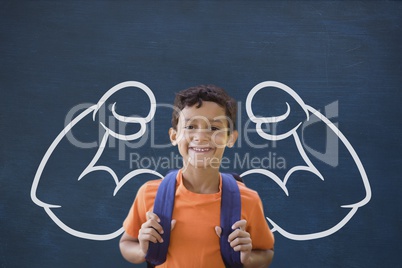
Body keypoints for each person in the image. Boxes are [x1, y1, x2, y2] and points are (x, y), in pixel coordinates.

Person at [119, 85, 275, 267]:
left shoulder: (248, 199)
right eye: (191, 126)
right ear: (174, 136)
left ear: (230, 138)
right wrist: (141, 251)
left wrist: (248, 259)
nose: (201, 136)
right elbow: (126, 243)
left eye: (214, 128)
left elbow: (265, 252)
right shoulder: (149, 194)